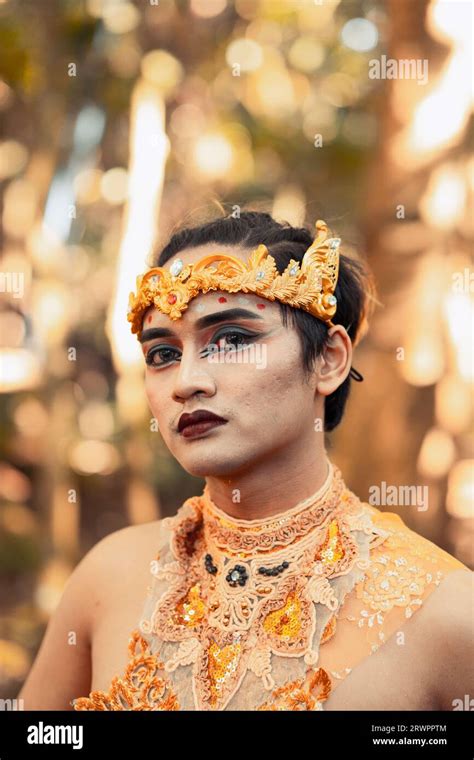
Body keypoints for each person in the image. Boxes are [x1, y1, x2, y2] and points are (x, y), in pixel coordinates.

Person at [18, 211, 472, 711]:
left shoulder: (445, 612)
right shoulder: (107, 578)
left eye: (231, 340)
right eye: (163, 354)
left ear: (328, 360)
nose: (187, 381)